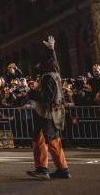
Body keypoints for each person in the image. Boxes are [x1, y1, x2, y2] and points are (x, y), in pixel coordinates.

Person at [26, 36, 71, 180]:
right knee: (41, 139)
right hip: (49, 113)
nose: (37, 65)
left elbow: (47, 98)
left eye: (40, 63)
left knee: (51, 141)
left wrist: (31, 93)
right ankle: (50, 169)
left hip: (47, 114)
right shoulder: (55, 74)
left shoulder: (47, 77)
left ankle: (55, 169)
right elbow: (54, 62)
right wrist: (52, 50)